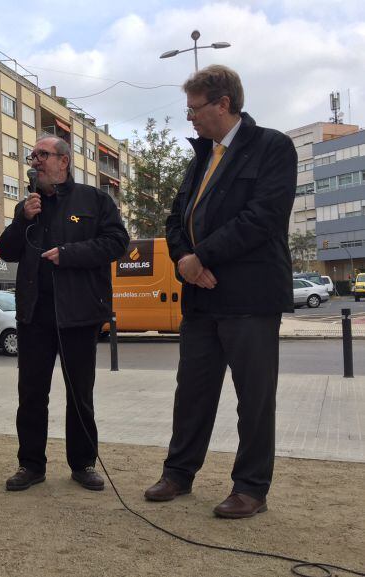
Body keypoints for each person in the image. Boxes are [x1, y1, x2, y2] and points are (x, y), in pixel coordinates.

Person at [144, 65, 296, 518]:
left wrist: (200, 257)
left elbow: (262, 218)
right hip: (201, 297)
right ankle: (178, 474)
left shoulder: (272, 147)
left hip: (250, 297)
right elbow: (175, 221)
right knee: (191, 391)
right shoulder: (201, 158)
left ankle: (250, 488)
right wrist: (185, 262)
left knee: (254, 397)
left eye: (195, 109)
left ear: (223, 104)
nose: (189, 118)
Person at [0, 135, 129, 492]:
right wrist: (22, 218)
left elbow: (117, 243)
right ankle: (30, 464)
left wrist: (69, 253)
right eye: (33, 155)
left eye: (43, 154)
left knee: (80, 394)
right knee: (31, 394)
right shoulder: (28, 205)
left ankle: (83, 463)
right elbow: (7, 251)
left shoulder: (95, 200)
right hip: (34, 315)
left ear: (64, 160)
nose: (36, 160)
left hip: (79, 313)